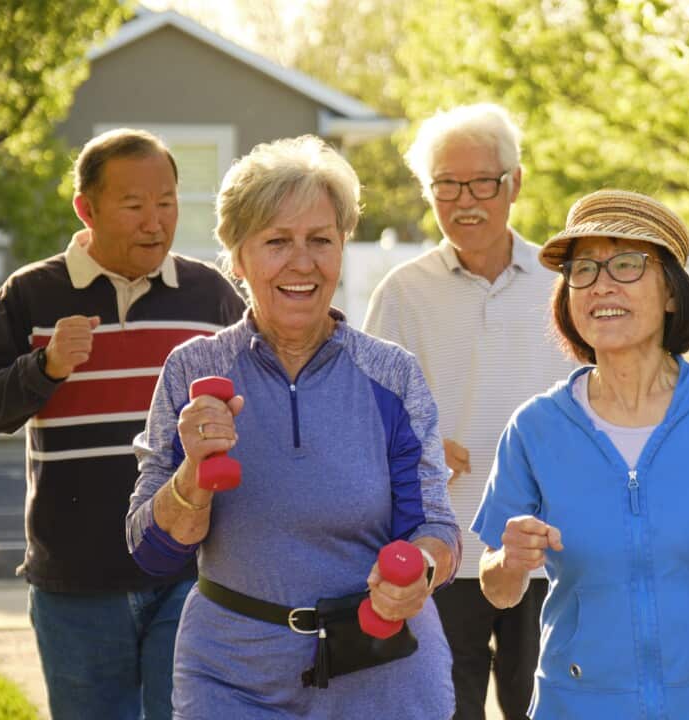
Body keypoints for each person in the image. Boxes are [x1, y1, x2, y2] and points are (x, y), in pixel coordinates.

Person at [124, 135, 461, 719]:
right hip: (231, 675)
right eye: (276, 241)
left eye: (320, 241)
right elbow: (150, 551)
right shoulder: (194, 370)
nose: (301, 262)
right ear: (237, 258)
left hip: (381, 668)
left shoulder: (391, 374)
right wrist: (191, 477)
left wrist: (420, 572)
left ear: (342, 248)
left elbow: (433, 523)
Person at [472, 190, 689, 720]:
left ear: (672, 293)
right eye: (583, 269)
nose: (601, 284)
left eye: (627, 265)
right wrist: (509, 561)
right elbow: (496, 587)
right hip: (581, 703)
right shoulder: (535, 427)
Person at [0, 128, 245, 719]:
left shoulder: (208, 294)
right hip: (76, 581)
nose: (155, 221)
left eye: (166, 202)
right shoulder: (30, 295)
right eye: (134, 205)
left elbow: (266, 384)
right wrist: (45, 366)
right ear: (86, 208)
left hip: (187, 572)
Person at [364, 103, 573, 719]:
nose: (465, 200)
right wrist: (417, 446)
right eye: (446, 185)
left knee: (543, 708)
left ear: (515, 183)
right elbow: (365, 417)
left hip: (548, 549)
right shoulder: (402, 291)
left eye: (482, 182)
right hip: (441, 547)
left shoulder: (564, 282)